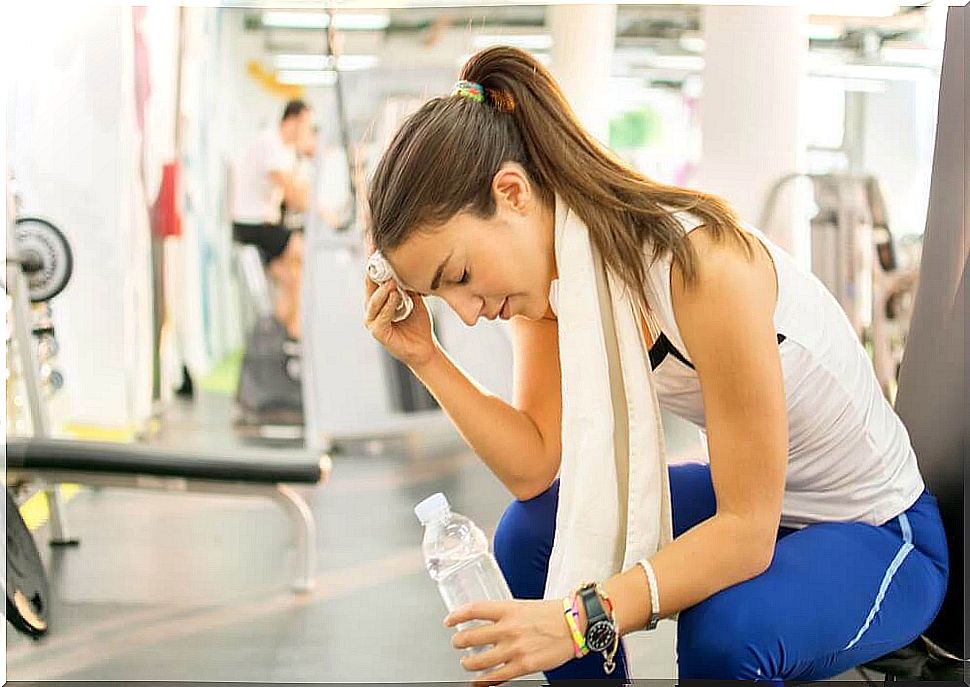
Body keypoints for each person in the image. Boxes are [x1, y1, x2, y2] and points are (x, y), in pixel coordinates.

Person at [362, 47, 948, 682]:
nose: (469, 312)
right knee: (530, 538)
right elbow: (534, 467)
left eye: (461, 276)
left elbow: (744, 534)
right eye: (443, 297)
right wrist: (424, 354)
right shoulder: (555, 287)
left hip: (877, 531)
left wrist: (576, 619)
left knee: (728, 631)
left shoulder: (701, 267)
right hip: (758, 504)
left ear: (512, 193)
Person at [232, 99, 314, 341]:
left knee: (293, 278)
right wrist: (324, 212)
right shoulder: (270, 144)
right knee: (306, 253)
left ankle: (282, 339)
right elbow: (294, 195)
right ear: (292, 121)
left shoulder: (285, 152)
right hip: (253, 225)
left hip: (261, 225)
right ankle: (295, 332)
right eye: (306, 125)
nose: (307, 132)